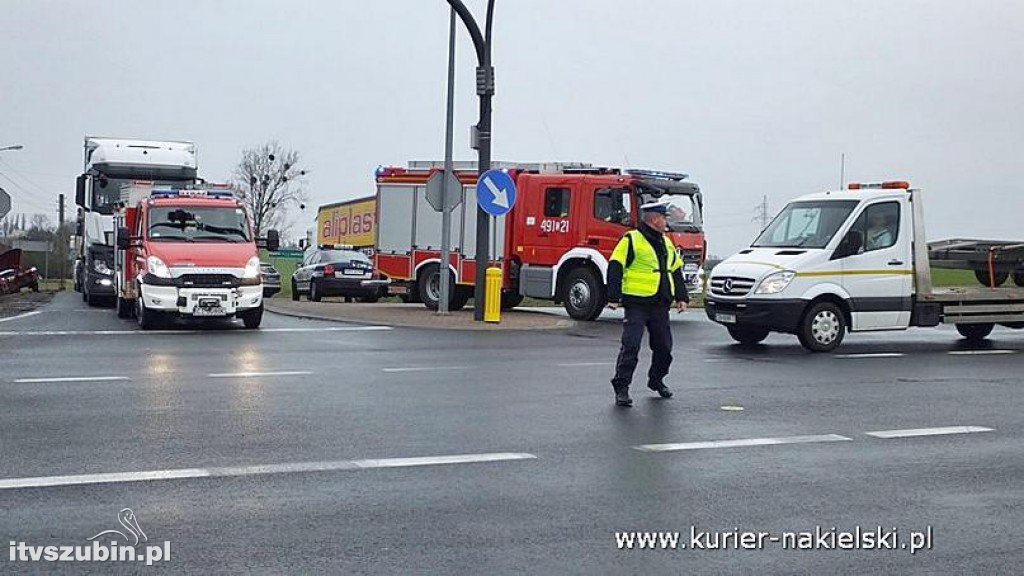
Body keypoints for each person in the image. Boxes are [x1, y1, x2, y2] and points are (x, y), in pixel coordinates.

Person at [606, 200, 689, 407]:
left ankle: (656, 379)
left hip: (660, 304)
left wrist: (682, 297)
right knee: (631, 346)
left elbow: (676, 269)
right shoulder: (631, 239)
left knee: (664, 348)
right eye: (664, 217)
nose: (666, 221)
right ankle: (622, 387)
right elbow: (615, 265)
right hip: (637, 303)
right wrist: (613, 297)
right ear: (653, 219)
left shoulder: (666, 242)